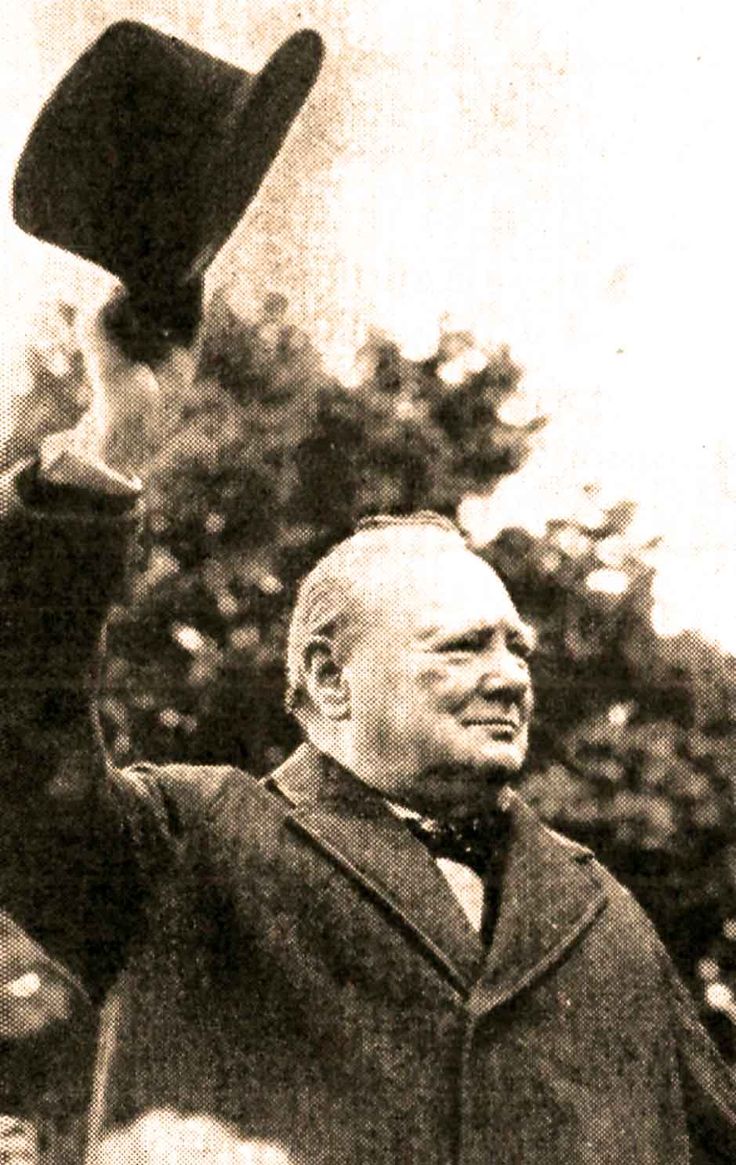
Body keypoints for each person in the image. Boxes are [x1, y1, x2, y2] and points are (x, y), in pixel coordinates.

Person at [0, 291, 735, 1165]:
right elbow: (16, 732)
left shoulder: (606, 916)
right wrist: (109, 447)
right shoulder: (183, 846)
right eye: (463, 648)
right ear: (327, 675)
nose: (509, 676)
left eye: (517, 648)